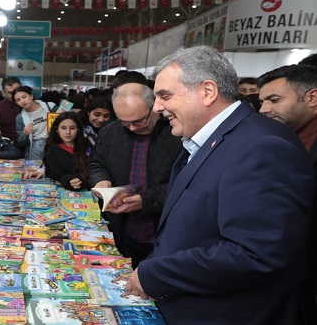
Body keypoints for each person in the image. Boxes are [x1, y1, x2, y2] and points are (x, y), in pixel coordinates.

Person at [125, 46, 317, 324]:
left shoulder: (262, 147)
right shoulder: (202, 142)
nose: (157, 107)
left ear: (207, 92)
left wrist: (158, 274)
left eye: (165, 95)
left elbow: (257, 254)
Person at [89, 80, 182, 268]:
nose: (132, 128)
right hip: (121, 229)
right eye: (124, 122)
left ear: (154, 106)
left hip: (163, 234)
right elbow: (97, 164)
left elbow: (184, 184)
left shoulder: (177, 134)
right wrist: (101, 180)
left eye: (138, 121)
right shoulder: (110, 132)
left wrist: (145, 201)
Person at [257, 64, 317, 299]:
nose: (263, 109)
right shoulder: (278, 139)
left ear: (312, 98)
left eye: (274, 100)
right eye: (262, 101)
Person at [42, 112, 90, 191]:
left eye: (72, 128)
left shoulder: (88, 144)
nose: (68, 132)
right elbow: (57, 174)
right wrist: (69, 180)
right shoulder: (52, 150)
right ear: (57, 130)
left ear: (78, 129)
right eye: (63, 128)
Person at [13, 86, 56, 160]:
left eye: (24, 97)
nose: (22, 101)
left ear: (31, 96)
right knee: (35, 169)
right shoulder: (20, 118)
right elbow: (21, 142)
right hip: (35, 147)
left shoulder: (50, 106)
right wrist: (25, 134)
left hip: (52, 143)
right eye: (18, 100)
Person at [0, 77, 21, 143]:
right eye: (10, 93)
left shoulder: (29, 105)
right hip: (9, 146)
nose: (14, 95)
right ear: (4, 93)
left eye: (17, 91)